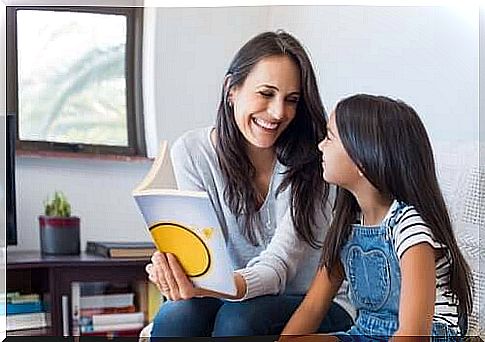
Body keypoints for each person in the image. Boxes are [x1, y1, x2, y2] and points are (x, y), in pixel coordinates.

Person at [145, 30, 354, 338]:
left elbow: (278, 266)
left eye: (292, 100)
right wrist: (172, 269)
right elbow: (201, 255)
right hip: (234, 294)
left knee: (238, 321)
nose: (278, 112)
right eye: (266, 93)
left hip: (316, 300)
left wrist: (222, 287)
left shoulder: (316, 160)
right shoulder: (192, 152)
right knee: (177, 315)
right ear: (232, 89)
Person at [280, 94, 473, 341]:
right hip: (366, 333)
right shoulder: (346, 224)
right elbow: (313, 307)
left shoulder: (410, 228)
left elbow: (413, 335)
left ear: (362, 159)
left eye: (329, 137)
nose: (320, 146)